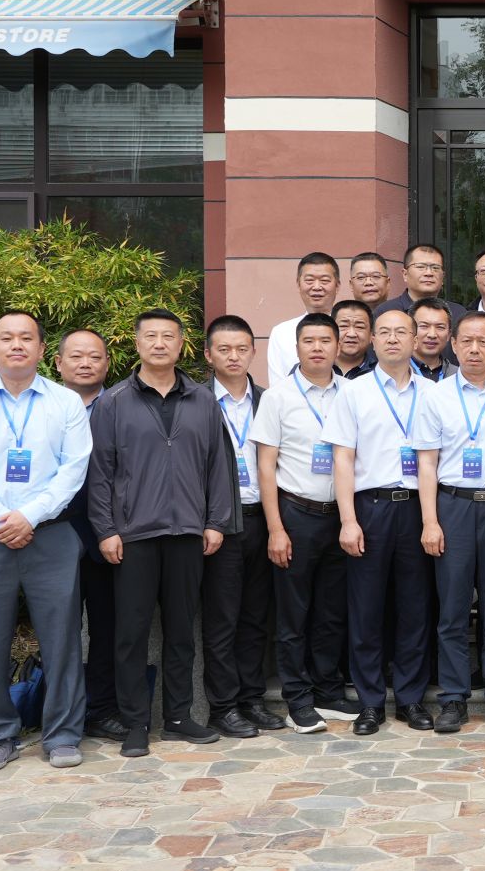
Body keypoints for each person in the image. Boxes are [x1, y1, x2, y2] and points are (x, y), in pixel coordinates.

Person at [0, 310, 93, 774]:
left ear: (42, 349)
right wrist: (0, 519)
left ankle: (62, 735)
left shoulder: (65, 403)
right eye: (7, 338)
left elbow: (74, 467)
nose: (17, 345)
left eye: (26, 338)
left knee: (62, 639)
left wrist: (30, 516)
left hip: (51, 534)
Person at [88, 309, 236, 757]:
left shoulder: (203, 401)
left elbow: (218, 466)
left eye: (167, 336)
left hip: (188, 532)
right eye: (150, 336)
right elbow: (99, 473)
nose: (159, 343)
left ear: (181, 344)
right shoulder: (114, 402)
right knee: (130, 633)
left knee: (181, 631)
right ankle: (135, 722)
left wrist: (215, 522)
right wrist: (105, 530)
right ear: (136, 344)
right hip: (132, 535)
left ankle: (178, 717)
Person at [326, 307, 437, 737]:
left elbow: (432, 461)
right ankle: (370, 702)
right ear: (372, 341)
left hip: (417, 508)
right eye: (384, 332)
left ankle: (410, 698)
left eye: (401, 332)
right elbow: (342, 459)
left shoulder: (433, 393)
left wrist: (431, 520)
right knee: (366, 607)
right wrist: (348, 520)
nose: (393, 339)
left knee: (415, 606)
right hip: (369, 508)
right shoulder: (354, 393)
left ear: (416, 340)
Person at [415, 310, 485, 733]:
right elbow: (427, 464)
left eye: (483, 342)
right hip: (453, 507)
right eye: (467, 341)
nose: (475, 349)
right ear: (454, 345)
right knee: (453, 609)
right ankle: (453, 698)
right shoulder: (435, 395)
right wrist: (430, 521)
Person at [251, 311, 357, 733]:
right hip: (296, 514)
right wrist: (276, 529)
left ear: (338, 346)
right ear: (296, 347)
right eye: (308, 341)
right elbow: (265, 466)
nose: (317, 348)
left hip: (340, 516)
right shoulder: (277, 398)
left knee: (332, 611)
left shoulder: (352, 393)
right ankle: (297, 698)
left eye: (325, 340)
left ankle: (328, 689)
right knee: (293, 615)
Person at [202, 316, 282, 739]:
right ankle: (223, 706)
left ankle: (252, 698)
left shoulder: (268, 400)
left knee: (255, 617)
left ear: (253, 351)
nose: (233, 356)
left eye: (241, 349)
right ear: (208, 354)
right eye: (224, 349)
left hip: (262, 520)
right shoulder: (195, 401)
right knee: (222, 619)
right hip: (219, 527)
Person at [54, 327, 122, 741]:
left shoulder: (121, 404)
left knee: (107, 626)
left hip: (107, 535)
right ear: (58, 362)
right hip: (53, 530)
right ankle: (60, 712)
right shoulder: (43, 407)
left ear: (107, 364)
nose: (85, 364)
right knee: (57, 629)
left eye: (94, 357)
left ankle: (102, 708)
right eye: (76, 356)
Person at [266, 252, 342, 381]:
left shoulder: (348, 331)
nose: (316, 287)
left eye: (324, 280)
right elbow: (277, 386)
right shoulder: (281, 332)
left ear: (337, 286)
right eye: (309, 280)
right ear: (298, 284)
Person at [384, 243, 468, 332]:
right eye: (421, 267)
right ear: (405, 274)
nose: (429, 273)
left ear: (443, 276)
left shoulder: (458, 313)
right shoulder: (386, 311)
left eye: (435, 268)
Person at [410, 298, 454, 380]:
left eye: (440, 327)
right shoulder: (396, 372)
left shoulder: (458, 375)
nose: (432, 335)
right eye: (424, 326)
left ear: (448, 334)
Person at [332, 299, 375, 378]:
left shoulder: (381, 371)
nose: (351, 334)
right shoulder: (315, 367)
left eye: (359, 327)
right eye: (343, 326)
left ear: (371, 336)